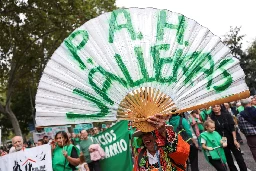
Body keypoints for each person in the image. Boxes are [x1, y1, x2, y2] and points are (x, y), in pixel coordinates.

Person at [210, 104, 247, 171]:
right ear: (212, 109)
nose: (216, 108)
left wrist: (235, 140)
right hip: (221, 140)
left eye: (217, 106)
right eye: (214, 107)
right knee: (228, 159)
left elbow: (232, 128)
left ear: (220, 107)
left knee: (239, 157)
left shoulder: (227, 115)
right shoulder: (211, 118)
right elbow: (211, 131)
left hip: (231, 137)